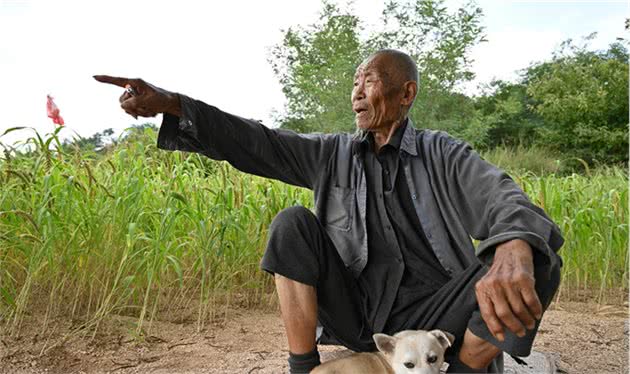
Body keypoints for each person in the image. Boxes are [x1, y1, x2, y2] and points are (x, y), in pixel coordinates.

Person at [94, 49, 563, 373]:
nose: (357, 93)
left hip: (438, 316)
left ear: (406, 93)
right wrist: (173, 104)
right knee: (291, 225)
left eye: (370, 82)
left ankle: (461, 369)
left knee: (537, 251)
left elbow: (501, 193)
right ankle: (305, 369)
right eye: (354, 83)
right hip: (358, 312)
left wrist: (514, 245)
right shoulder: (331, 153)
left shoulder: (443, 153)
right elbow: (259, 142)